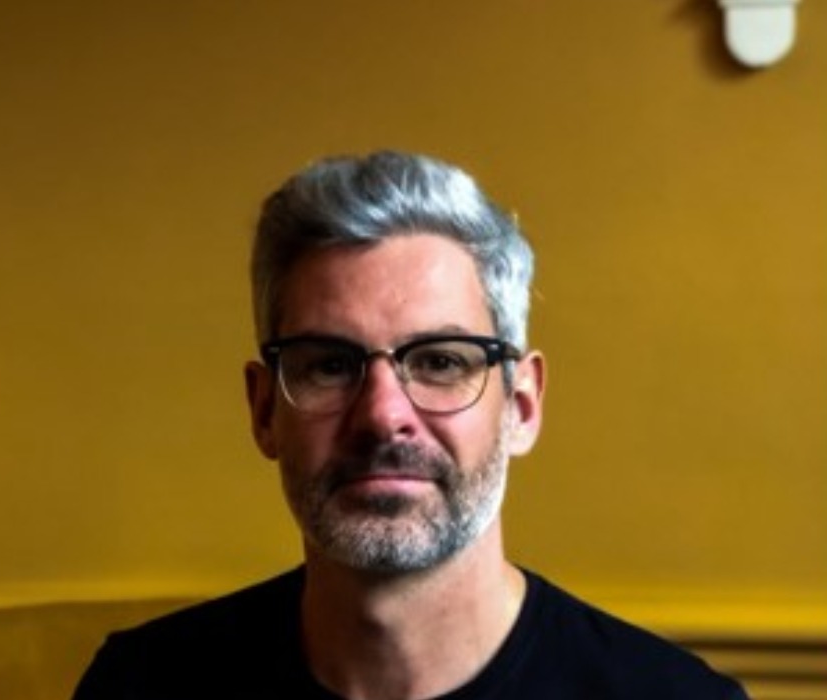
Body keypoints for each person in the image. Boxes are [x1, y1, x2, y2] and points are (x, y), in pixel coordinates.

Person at [72, 150, 749, 699]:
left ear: (520, 405)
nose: (383, 415)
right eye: (330, 365)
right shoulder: (139, 687)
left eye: (439, 362)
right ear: (263, 409)